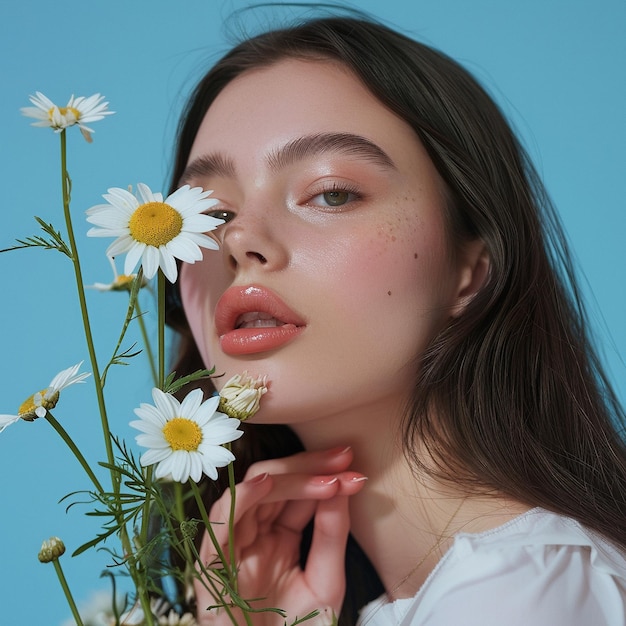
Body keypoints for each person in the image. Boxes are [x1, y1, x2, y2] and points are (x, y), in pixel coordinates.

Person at [163, 13, 626, 626]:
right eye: (210, 211)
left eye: (331, 192)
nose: (240, 237)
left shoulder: (518, 596)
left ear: (473, 269)